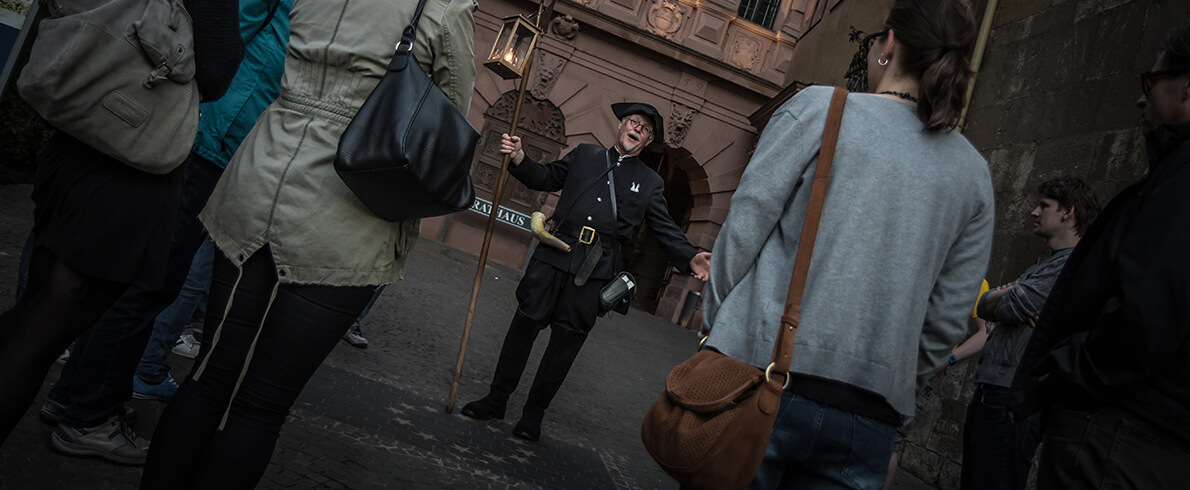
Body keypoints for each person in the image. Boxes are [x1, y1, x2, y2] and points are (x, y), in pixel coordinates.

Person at [139, 0, 477, 487]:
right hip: (350, 205)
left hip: (262, 169)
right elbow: (447, 121)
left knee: (211, 379)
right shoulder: (445, 8)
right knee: (259, 405)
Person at [699, 0, 992, 487]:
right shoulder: (972, 174)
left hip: (761, 374)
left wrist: (716, 332)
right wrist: (893, 377)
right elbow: (947, 316)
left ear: (890, 43)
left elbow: (744, 230)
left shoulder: (821, 109)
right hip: (869, 415)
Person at [31, 1, 291, 466]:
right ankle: (89, 416)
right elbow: (220, 44)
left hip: (217, 130)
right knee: (149, 283)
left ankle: (73, 395)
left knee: (139, 279)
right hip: (208, 131)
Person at [0, 0, 243, 445]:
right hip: (130, 152)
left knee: (35, 312)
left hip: (78, 132)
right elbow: (216, 68)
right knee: (42, 328)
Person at [460, 102, 711, 442]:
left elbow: (664, 227)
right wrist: (519, 158)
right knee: (523, 327)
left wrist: (691, 258)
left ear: (647, 141)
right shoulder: (585, 155)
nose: (637, 129)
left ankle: (533, 415)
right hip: (553, 257)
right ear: (621, 126)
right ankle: (497, 398)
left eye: (646, 129)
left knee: (565, 344)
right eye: (633, 122)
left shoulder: (649, 183)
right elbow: (546, 177)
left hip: (594, 272)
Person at [1008, 26, 1190, 489]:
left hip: (1122, 436)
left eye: (1150, 83)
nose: (1141, 101)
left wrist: (1069, 366)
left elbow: (1146, 316)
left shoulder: (1180, 179)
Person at [954, 177, 1101, 490]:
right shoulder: (1045, 265)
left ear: (1068, 212)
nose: (1034, 212)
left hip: (1012, 393)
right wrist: (1005, 295)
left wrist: (1009, 294)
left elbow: (1012, 304)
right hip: (993, 388)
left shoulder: (1069, 267)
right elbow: (982, 304)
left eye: (1044, 206)